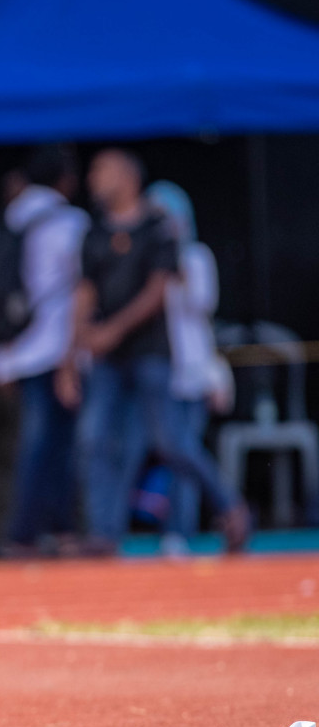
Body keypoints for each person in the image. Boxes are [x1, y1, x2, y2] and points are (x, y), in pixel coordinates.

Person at [58, 149, 250, 553]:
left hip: (151, 353)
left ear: (127, 177)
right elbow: (84, 293)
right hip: (108, 358)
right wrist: (71, 355)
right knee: (95, 440)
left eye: (102, 170)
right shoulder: (95, 233)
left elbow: (157, 291)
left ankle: (231, 508)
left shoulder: (158, 228)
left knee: (172, 441)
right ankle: (103, 535)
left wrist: (112, 329)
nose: (93, 178)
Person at [0, 147, 90, 553]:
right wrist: (71, 359)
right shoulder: (70, 221)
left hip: (15, 347)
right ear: (65, 179)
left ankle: (37, 529)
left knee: (31, 442)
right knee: (49, 443)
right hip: (54, 346)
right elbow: (82, 288)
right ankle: (28, 531)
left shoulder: (14, 215)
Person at [144, 181, 232, 547]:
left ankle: (183, 530)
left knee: (185, 451)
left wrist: (176, 264)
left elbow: (202, 305)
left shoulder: (196, 256)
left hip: (194, 371)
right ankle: (173, 528)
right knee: (168, 451)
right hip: (160, 369)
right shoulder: (145, 260)